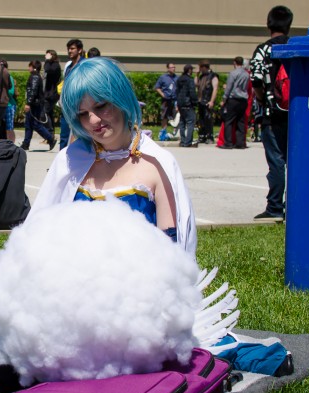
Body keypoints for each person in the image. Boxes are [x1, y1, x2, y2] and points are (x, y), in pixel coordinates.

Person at [32, 57, 196, 257]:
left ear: (121, 98)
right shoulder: (69, 160)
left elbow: (173, 254)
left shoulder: (158, 163)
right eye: (82, 113)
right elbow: (40, 236)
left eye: (101, 106)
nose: (93, 120)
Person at [250, 5, 292, 222]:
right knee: (294, 160)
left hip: (271, 113)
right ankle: (295, 203)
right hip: (295, 115)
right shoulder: (295, 47)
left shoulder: (263, 50)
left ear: (268, 24)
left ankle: (275, 205)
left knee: (276, 161)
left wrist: (260, 98)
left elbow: (255, 79)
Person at [20, 60, 56, 151]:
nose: (29, 68)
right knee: (29, 124)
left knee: (36, 124)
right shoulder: (35, 76)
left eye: (30, 66)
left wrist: (28, 103)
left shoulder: (35, 77)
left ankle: (50, 139)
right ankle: (26, 143)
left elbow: (33, 91)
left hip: (34, 105)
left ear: (34, 67)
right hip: (35, 103)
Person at [59, 38, 85, 150]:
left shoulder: (84, 65)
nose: (70, 51)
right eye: (68, 49)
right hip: (67, 105)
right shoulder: (69, 67)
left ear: (80, 50)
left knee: (79, 134)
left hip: (79, 105)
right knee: (64, 134)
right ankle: (62, 160)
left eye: (72, 48)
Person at [220, 56, 250, 149]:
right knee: (240, 121)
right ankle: (240, 143)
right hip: (243, 99)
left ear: (234, 63)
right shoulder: (246, 74)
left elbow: (229, 87)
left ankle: (228, 143)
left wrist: (224, 99)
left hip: (233, 99)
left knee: (229, 121)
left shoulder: (233, 73)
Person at [195, 60, 218, 144]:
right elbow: (196, 84)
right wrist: (197, 75)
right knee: (201, 120)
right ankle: (202, 136)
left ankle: (209, 136)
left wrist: (212, 101)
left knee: (208, 119)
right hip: (201, 101)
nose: (199, 69)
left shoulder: (213, 76)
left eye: (200, 68)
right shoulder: (201, 76)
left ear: (204, 67)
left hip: (207, 101)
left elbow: (215, 88)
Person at [176, 64, 198, 148]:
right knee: (190, 122)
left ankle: (183, 141)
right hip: (188, 103)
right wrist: (195, 102)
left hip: (180, 103)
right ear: (189, 70)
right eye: (191, 70)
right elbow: (192, 92)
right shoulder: (189, 80)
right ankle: (188, 142)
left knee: (182, 122)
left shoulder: (179, 79)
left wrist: (177, 103)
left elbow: (177, 91)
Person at [154, 63, 177, 141]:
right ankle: (163, 131)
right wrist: (162, 94)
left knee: (176, 116)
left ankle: (175, 133)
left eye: (174, 67)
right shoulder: (163, 77)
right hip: (166, 100)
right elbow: (157, 87)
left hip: (174, 99)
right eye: (171, 67)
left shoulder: (177, 78)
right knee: (164, 116)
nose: (173, 69)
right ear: (168, 68)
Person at [42, 49, 61, 135]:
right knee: (49, 113)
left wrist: (47, 60)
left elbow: (47, 70)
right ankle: (50, 133)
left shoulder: (55, 65)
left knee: (45, 113)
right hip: (48, 92)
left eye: (48, 55)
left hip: (51, 93)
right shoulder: (51, 64)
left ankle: (50, 133)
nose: (45, 56)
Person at [0, 59, 17, 142]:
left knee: (9, 128)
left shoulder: (9, 77)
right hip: (1, 106)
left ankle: (11, 144)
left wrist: (2, 90)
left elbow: (11, 92)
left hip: (9, 105)